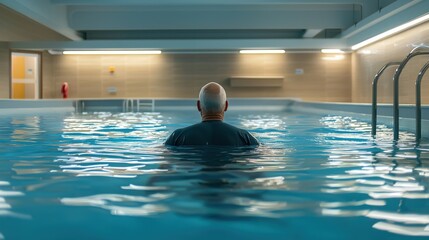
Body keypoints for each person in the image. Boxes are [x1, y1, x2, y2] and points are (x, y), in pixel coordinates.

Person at [165, 82, 259, 146]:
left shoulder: (177, 137)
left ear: (198, 106)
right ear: (226, 105)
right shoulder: (245, 137)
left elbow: (163, 167)